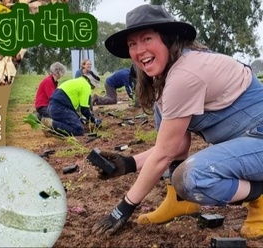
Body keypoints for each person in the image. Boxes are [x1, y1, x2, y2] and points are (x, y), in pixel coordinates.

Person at [92, 4, 263, 239]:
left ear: (168, 39)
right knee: (161, 106)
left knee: (194, 177)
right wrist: (127, 163)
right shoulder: (168, 77)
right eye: (133, 44)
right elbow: (176, 147)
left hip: (259, 137)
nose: (139, 50)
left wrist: (124, 207)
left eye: (147, 39)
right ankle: (179, 202)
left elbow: (164, 155)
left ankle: (260, 195)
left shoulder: (185, 75)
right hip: (247, 139)